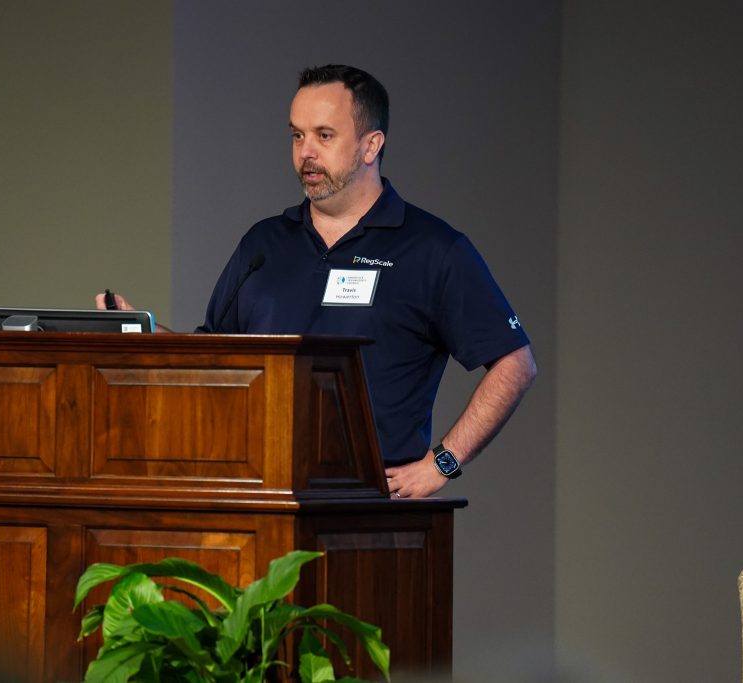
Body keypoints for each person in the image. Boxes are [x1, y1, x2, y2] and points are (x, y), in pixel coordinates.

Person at [97, 64, 536, 499]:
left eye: (324, 136)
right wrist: (143, 333)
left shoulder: (431, 248)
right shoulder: (264, 243)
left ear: (371, 145)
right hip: (257, 495)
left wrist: (442, 462)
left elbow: (515, 364)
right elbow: (214, 357)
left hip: (366, 507)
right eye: (297, 135)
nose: (305, 152)